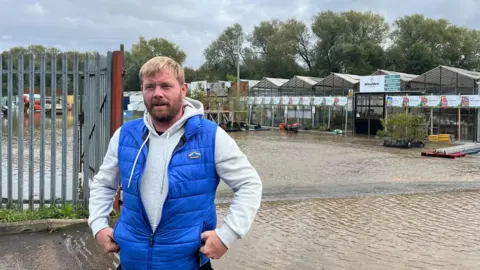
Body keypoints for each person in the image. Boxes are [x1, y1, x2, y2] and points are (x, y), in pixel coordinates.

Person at [88, 56, 263, 270]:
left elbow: (249, 184)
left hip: (189, 264)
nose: (157, 93)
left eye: (166, 86)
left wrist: (227, 235)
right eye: (149, 87)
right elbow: (104, 184)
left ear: (183, 89)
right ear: (142, 91)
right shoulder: (125, 135)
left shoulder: (211, 137)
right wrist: (98, 225)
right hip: (131, 263)